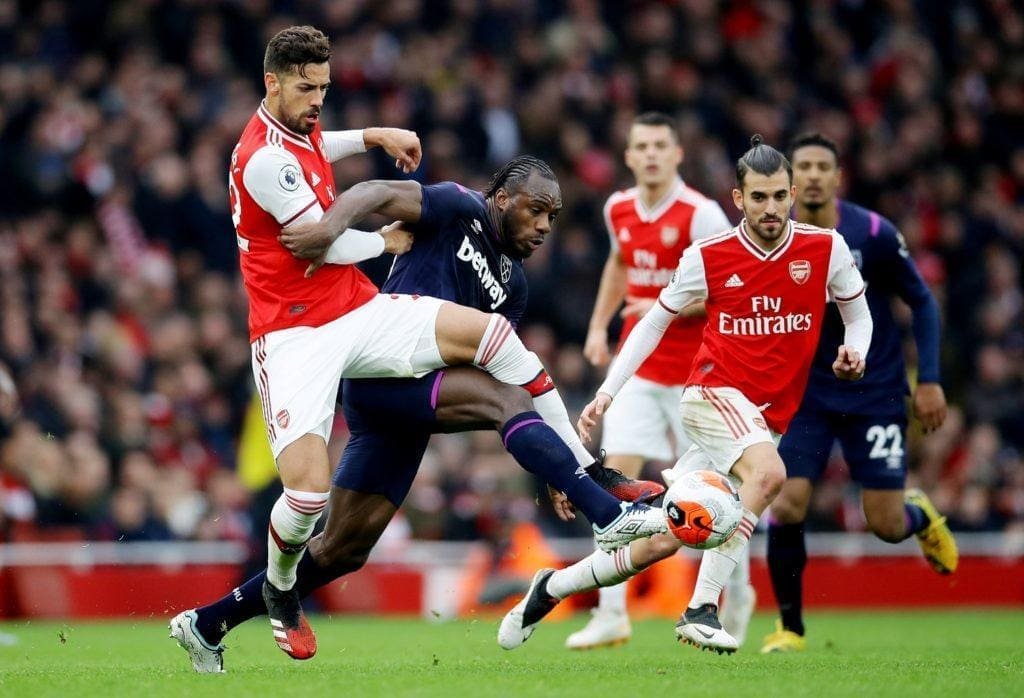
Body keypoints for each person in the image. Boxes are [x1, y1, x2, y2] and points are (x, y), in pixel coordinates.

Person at [167, 37, 669, 667]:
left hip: (402, 367)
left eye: (554, 218)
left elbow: (324, 146)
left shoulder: (515, 284)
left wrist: (373, 132)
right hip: (363, 366)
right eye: (536, 212)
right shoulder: (455, 207)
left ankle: (208, 622)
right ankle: (602, 500)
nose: (544, 227)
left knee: (344, 548)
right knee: (493, 397)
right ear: (504, 200)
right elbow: (377, 197)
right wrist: (363, 231)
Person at [497, 135, 873, 654]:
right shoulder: (710, 255)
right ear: (738, 199)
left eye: (779, 196)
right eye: (758, 197)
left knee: (666, 537)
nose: (770, 208)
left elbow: (857, 314)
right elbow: (652, 321)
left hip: (767, 418)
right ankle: (702, 608)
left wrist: (856, 349)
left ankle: (551, 588)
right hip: (711, 395)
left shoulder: (824, 248)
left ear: (791, 196)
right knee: (769, 477)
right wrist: (608, 392)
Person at [759, 133, 957, 654]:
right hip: (806, 396)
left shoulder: (872, 232)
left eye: (825, 165)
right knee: (788, 501)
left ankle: (917, 514)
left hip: (876, 392)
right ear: (790, 179)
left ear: (838, 176)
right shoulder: (773, 237)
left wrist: (930, 379)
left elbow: (923, 302)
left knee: (886, 525)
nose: (816, 175)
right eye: (805, 166)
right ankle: (790, 629)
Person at [570, 111, 734, 650]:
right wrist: (599, 325)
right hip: (639, 369)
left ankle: (724, 604)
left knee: (720, 494)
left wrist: (660, 302)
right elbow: (619, 263)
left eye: (661, 145)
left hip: (699, 375)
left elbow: (726, 293)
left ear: (678, 153)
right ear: (628, 155)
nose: (651, 155)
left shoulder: (701, 214)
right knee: (614, 482)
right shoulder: (617, 207)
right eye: (641, 146)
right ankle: (611, 612)